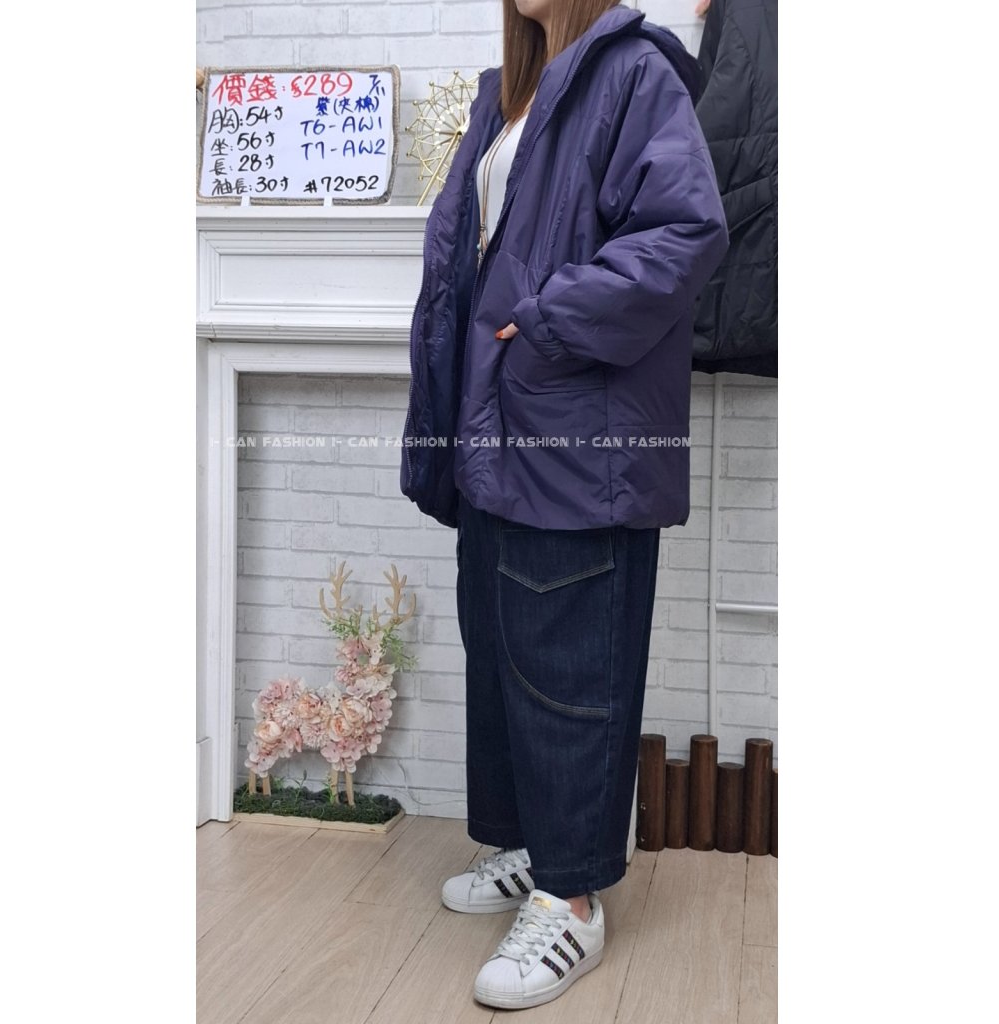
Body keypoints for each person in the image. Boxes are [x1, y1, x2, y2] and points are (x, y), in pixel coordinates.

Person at [400, 0, 728, 1010]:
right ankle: (537, 850)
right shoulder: (508, 93)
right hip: (495, 428)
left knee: (569, 670)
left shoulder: (633, 75)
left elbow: (685, 231)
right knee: (505, 653)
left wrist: (545, 320)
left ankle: (574, 898)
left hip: (580, 437)